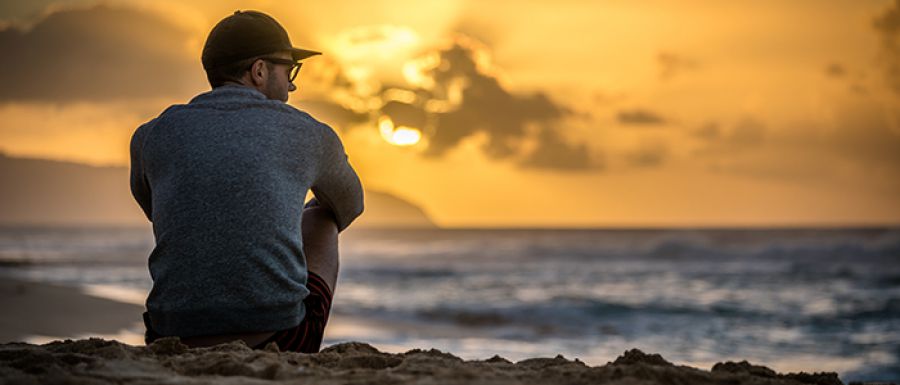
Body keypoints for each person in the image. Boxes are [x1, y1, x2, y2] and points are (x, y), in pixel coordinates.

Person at [129, 10, 364, 353]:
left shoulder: (152, 134)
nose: (292, 84)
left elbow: (155, 210)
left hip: (170, 338)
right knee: (321, 215)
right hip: (278, 339)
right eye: (289, 71)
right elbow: (350, 206)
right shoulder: (309, 133)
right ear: (259, 71)